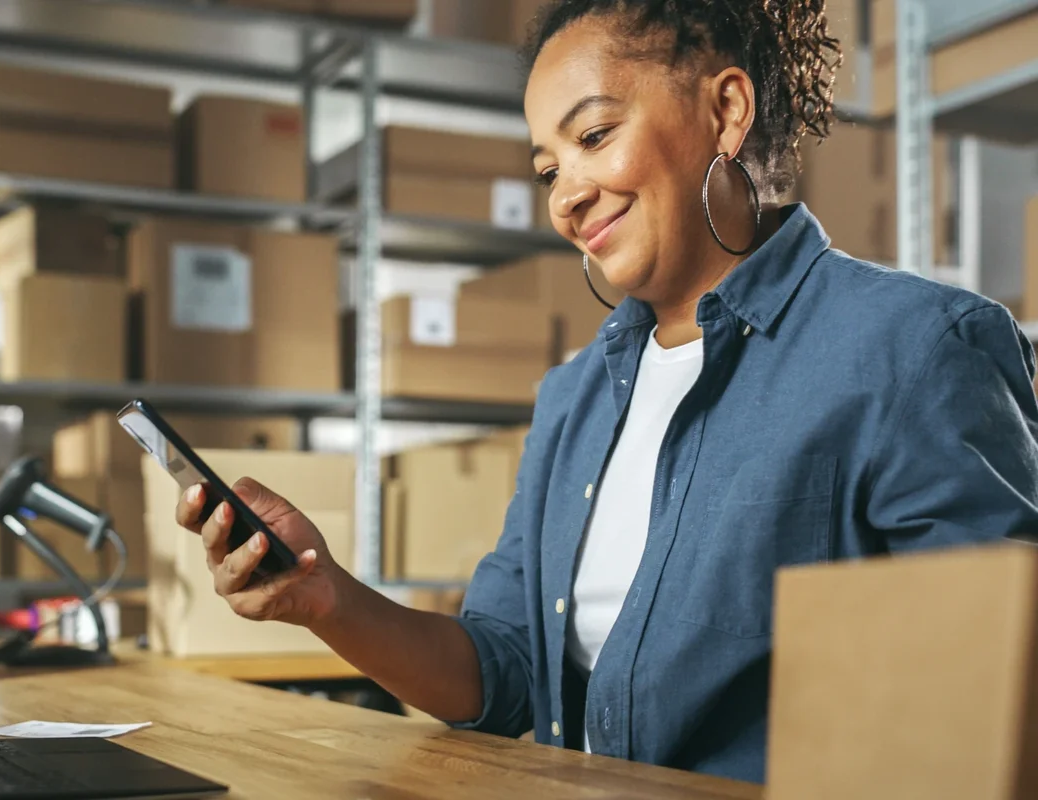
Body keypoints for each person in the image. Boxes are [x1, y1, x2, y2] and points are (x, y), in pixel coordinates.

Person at [174, 0, 1038, 784]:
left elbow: (992, 703)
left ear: (726, 110)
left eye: (593, 138)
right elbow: (500, 671)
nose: (568, 198)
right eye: (548, 170)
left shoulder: (916, 349)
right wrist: (326, 598)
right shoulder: (573, 399)